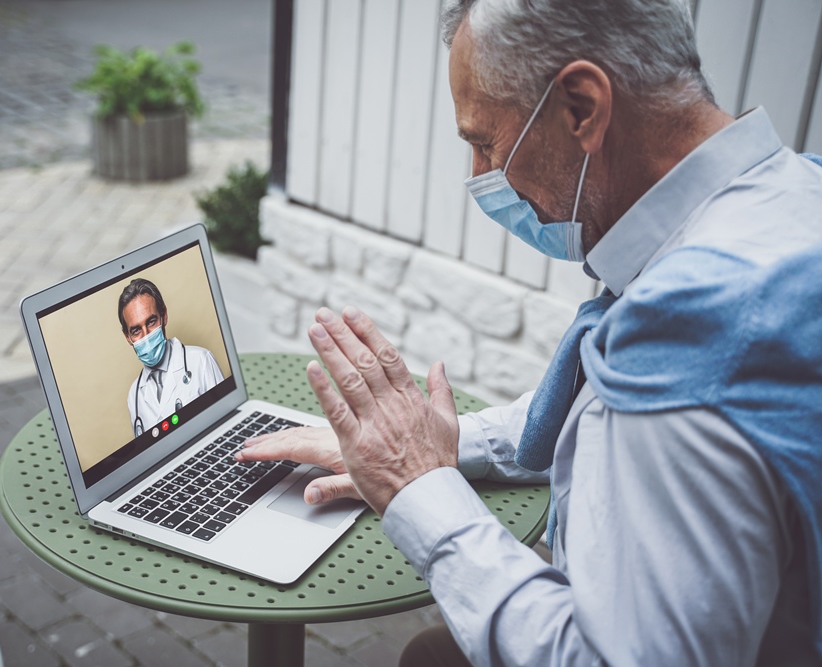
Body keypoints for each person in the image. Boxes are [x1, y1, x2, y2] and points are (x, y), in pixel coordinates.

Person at [236, 1, 822, 665]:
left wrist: (417, 489)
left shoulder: (692, 338)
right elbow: (588, 407)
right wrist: (448, 446)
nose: (483, 177)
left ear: (580, 106)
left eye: (486, 142)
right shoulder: (793, 193)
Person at [119, 278, 223, 437]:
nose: (146, 336)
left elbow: (227, 421)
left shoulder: (201, 361)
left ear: (164, 316)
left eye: (151, 322)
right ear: (128, 338)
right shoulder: (134, 396)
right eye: (136, 331)